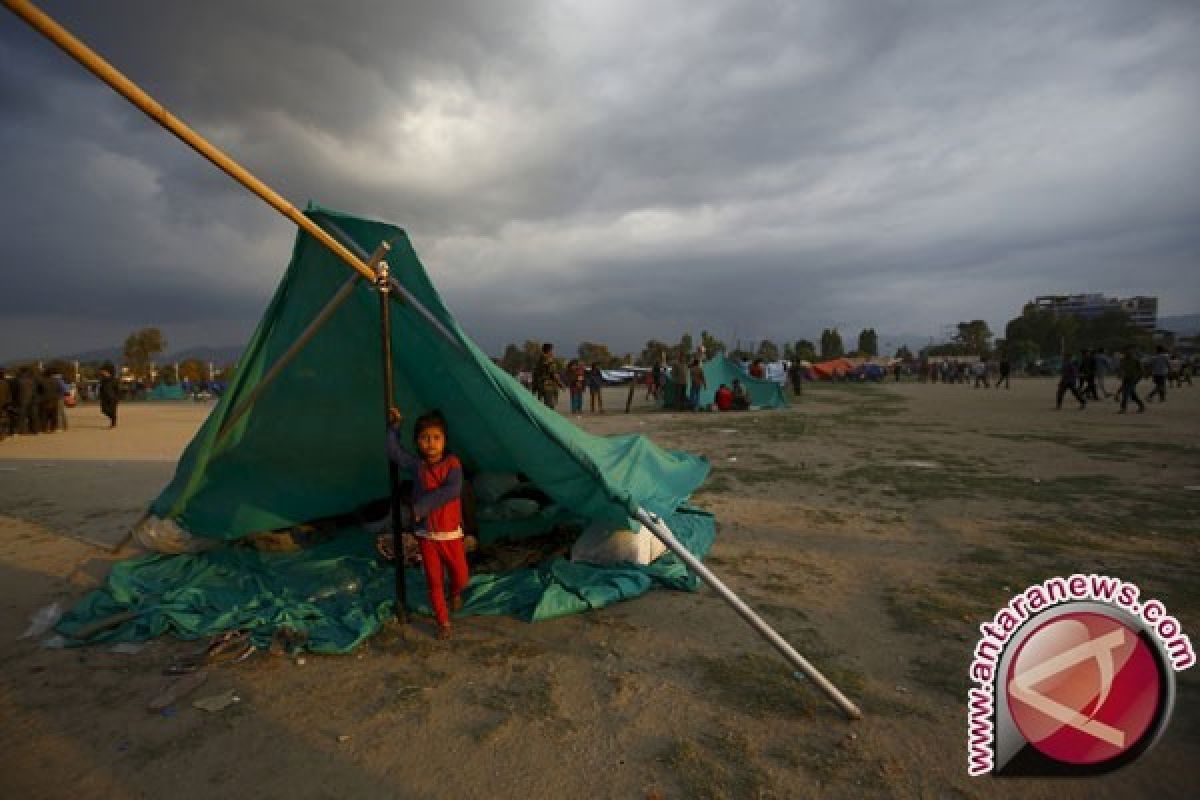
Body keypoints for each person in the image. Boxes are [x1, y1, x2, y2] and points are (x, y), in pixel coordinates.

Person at [385, 409, 468, 640]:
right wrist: (395, 427)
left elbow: (452, 490)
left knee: (461, 576)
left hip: (451, 534)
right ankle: (443, 622)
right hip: (427, 535)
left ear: (445, 440)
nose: (431, 443)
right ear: (418, 442)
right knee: (434, 579)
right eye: (424, 438)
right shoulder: (418, 466)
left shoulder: (452, 464)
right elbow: (394, 452)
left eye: (436, 438)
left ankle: (455, 592)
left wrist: (420, 507)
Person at [532, 343, 563, 410]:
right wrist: (560, 383)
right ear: (549, 350)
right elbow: (553, 373)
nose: (552, 352)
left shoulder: (540, 360)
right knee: (549, 405)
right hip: (548, 385)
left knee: (543, 404)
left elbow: (535, 372)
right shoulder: (549, 360)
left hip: (540, 384)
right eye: (551, 350)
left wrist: (534, 386)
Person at [1117, 346, 1145, 414]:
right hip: (1126, 378)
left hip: (1133, 379)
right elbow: (1121, 368)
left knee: (1126, 393)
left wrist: (1138, 378)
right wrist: (1120, 374)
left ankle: (1123, 408)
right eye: (1126, 351)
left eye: (1129, 351)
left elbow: (1141, 370)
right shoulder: (1123, 360)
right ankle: (1141, 406)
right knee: (1132, 395)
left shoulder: (1136, 360)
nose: (1127, 353)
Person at [98, 363, 119, 428]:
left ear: (107, 372)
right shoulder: (103, 380)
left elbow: (117, 389)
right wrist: (100, 395)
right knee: (104, 410)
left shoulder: (113, 379)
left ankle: (113, 423)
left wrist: (117, 397)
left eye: (103, 371)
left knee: (112, 410)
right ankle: (113, 418)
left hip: (112, 397)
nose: (102, 372)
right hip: (104, 398)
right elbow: (101, 388)